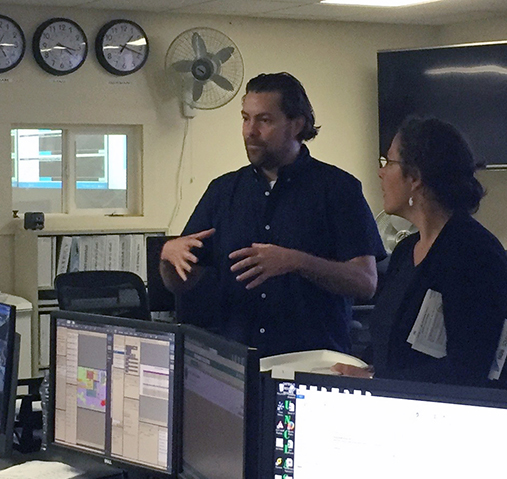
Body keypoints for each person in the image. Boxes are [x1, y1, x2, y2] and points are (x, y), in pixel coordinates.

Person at [159, 72, 385, 356]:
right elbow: (182, 283)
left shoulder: (339, 189)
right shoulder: (223, 191)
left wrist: (296, 261)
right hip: (236, 367)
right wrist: (168, 256)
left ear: (296, 125)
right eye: (245, 118)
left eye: (264, 120)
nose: (250, 131)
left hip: (312, 367)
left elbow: (366, 283)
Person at [364, 116, 507, 386]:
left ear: (416, 177)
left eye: (389, 162)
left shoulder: (475, 255)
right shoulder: (405, 251)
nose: (381, 173)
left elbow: (468, 368)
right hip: (394, 405)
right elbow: (388, 349)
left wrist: (377, 380)